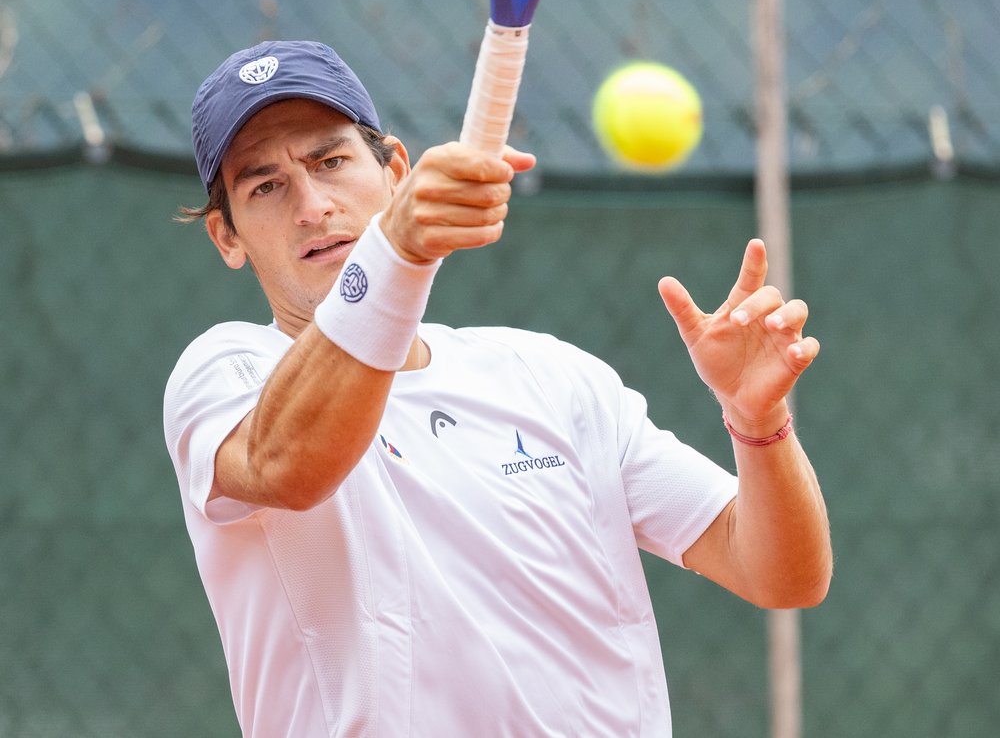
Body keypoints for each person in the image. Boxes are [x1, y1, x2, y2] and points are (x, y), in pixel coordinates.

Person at [164, 40, 831, 737]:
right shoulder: (226, 373)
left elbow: (783, 575)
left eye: (329, 161)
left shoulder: (551, 377)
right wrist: (395, 253)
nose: (311, 205)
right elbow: (289, 464)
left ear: (395, 171)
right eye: (265, 186)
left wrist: (757, 420)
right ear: (227, 236)